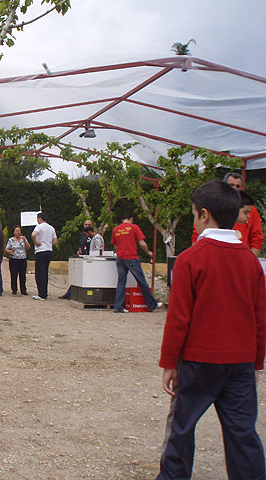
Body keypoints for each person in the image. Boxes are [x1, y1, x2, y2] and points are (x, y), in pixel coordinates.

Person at [156, 180, 266, 479]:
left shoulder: (191, 259)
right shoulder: (251, 262)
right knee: (243, 434)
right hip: (241, 364)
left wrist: (169, 362)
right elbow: (259, 318)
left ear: (204, 215)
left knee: (181, 428)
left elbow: (179, 318)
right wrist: (257, 362)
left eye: (193, 214)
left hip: (197, 362)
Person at [191, 172, 263, 256]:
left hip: (241, 257)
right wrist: (195, 255)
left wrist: (251, 260)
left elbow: (257, 238)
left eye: (238, 186)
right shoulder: (212, 207)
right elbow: (196, 235)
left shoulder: (251, 210)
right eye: (231, 185)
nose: (234, 189)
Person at [111, 214, 161, 313]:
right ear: (131, 219)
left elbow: (115, 245)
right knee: (141, 280)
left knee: (121, 282)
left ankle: (118, 306)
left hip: (120, 258)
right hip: (131, 257)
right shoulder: (134, 227)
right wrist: (148, 252)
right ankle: (152, 304)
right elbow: (142, 243)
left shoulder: (115, 230)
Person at [59, 219, 93, 299]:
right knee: (77, 277)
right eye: (86, 225)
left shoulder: (94, 237)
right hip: (82, 258)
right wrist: (79, 251)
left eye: (89, 225)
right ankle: (69, 293)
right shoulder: (82, 235)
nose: (87, 226)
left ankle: (71, 294)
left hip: (89, 260)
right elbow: (81, 245)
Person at [31, 212, 57, 300]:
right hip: (49, 251)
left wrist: (36, 242)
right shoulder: (51, 228)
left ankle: (41, 294)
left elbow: (33, 234)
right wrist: (49, 243)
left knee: (39, 273)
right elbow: (55, 241)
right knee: (45, 272)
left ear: (39, 218)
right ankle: (44, 292)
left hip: (40, 250)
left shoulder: (39, 226)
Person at [5, 225, 30, 295]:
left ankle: (23, 289)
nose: (18, 232)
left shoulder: (23, 239)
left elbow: (28, 247)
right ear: (14, 232)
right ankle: (14, 289)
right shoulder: (11, 240)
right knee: (13, 274)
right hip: (13, 259)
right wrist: (10, 252)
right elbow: (6, 249)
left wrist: (25, 240)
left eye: (19, 231)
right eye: (16, 231)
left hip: (22, 259)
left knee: (22, 275)